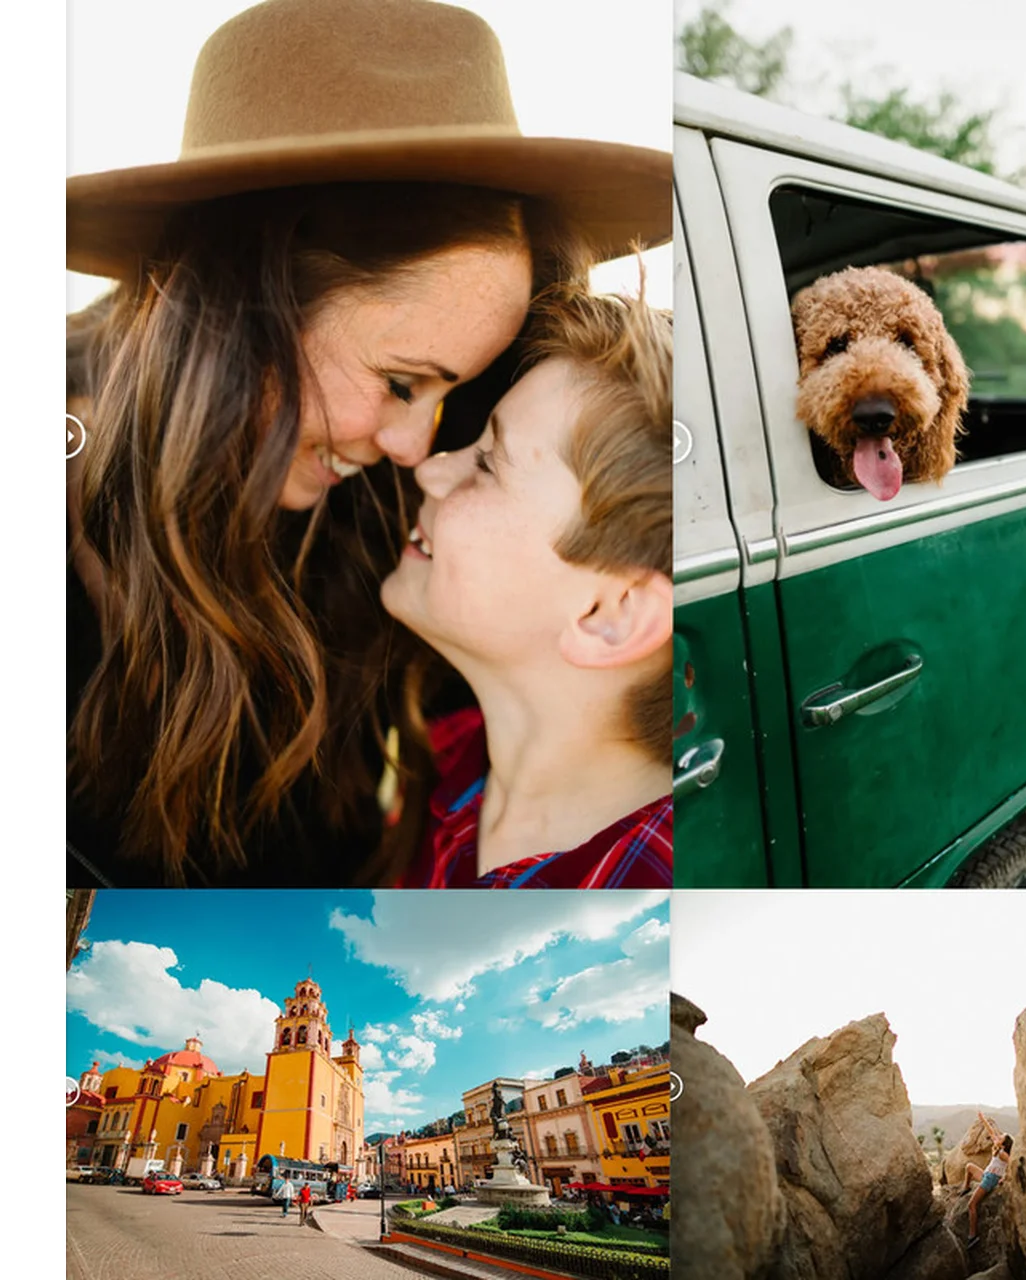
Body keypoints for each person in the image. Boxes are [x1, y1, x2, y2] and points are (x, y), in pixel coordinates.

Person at [65, 0, 667, 887]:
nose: (413, 449)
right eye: (397, 382)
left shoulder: (433, 478)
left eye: (453, 395)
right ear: (242, 308)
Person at [382, 284, 673, 887]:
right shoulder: (448, 758)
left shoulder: (648, 882)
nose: (430, 469)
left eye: (488, 463)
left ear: (608, 613)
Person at [960, 1114, 1013, 1248]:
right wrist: (982, 1119)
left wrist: (1004, 1178)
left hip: (990, 1179)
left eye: (1001, 1137)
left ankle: (972, 1236)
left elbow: (1012, 1164)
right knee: (969, 1167)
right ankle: (965, 1187)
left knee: (971, 1205)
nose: (998, 1136)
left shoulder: (1002, 1153)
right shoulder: (998, 1149)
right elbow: (991, 1132)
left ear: (1004, 1143)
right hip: (986, 1175)